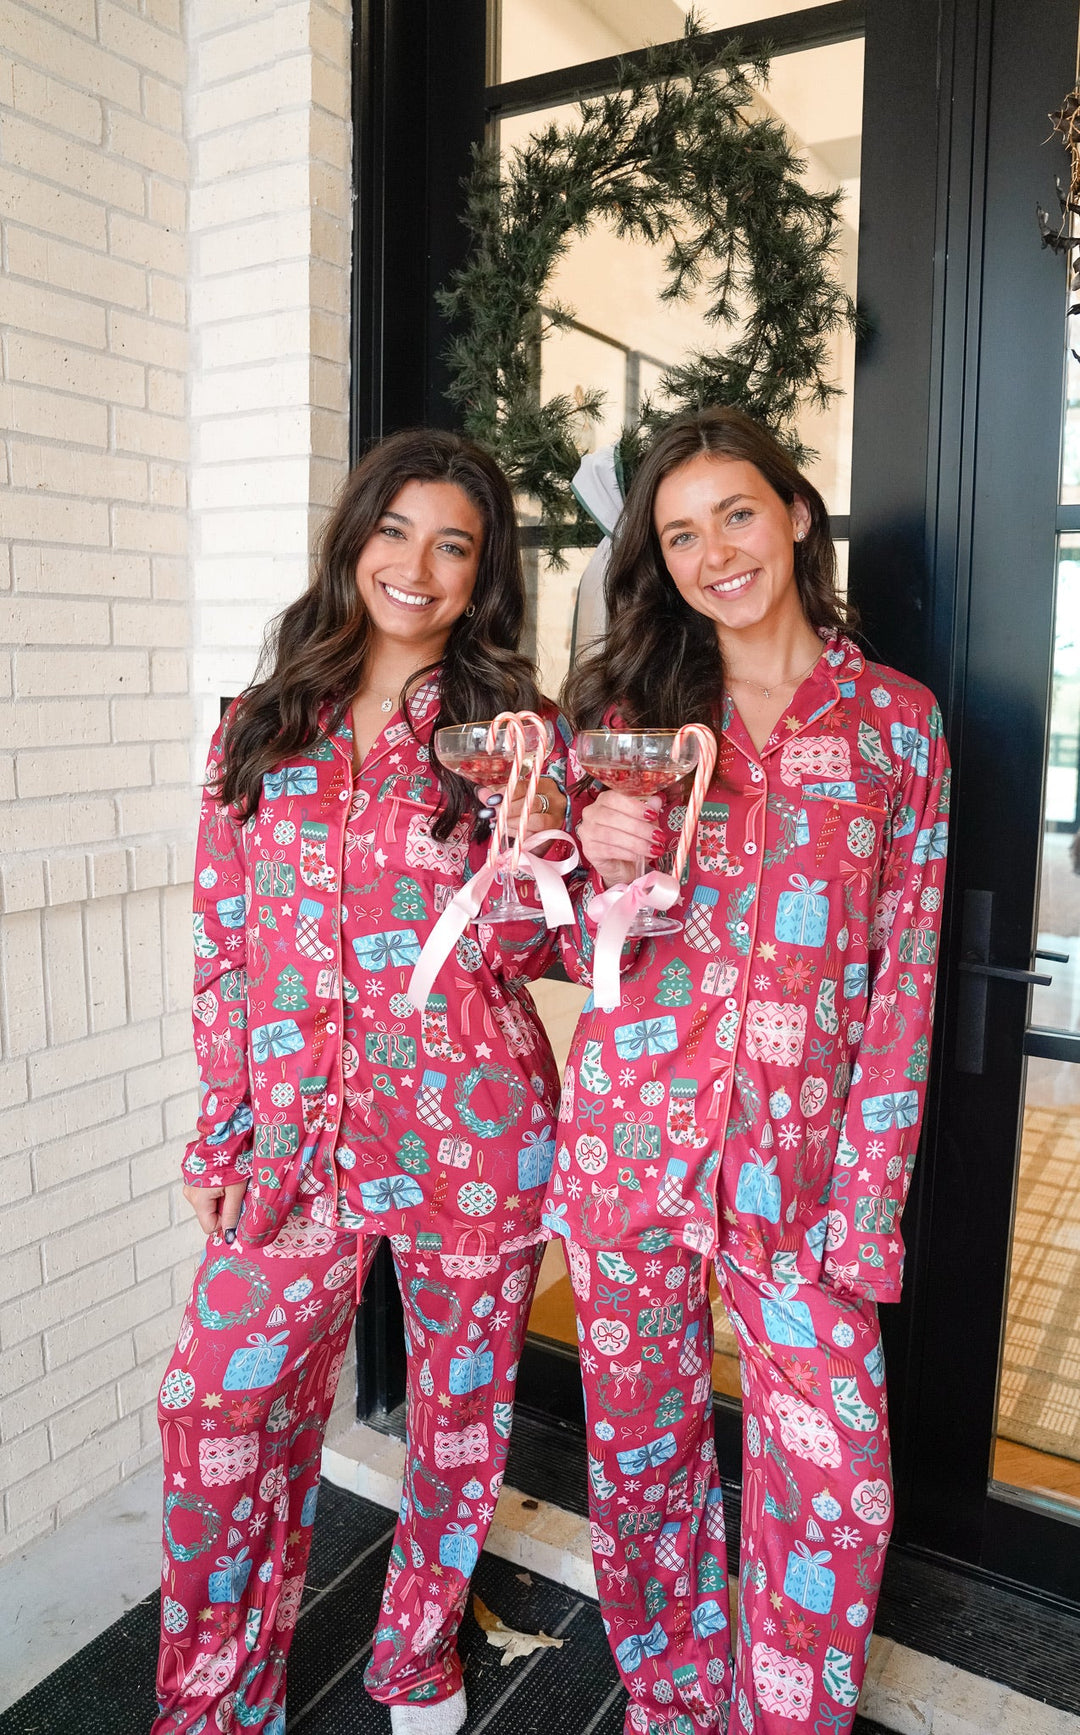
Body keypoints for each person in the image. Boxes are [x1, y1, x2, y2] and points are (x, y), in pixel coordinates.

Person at [153, 429, 569, 1735]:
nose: (419, 565)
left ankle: (414, 1657)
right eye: (396, 531)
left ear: (482, 574)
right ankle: (216, 1700)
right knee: (214, 1402)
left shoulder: (517, 736)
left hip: (473, 1134)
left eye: (455, 544)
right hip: (296, 1143)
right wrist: (222, 1140)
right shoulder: (260, 725)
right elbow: (227, 952)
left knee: (456, 1421)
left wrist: (530, 839)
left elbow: (540, 950)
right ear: (354, 541)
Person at [543, 406, 949, 1734]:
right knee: (646, 1452)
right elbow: (562, 944)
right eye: (679, 533)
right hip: (628, 1151)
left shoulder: (897, 729)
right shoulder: (629, 724)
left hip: (805, 1175)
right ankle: (668, 1700)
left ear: (794, 516)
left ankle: (787, 1717)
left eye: (736, 513)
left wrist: (866, 1206)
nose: (715, 550)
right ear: (656, 561)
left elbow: (904, 987)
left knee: (839, 1485)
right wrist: (588, 860)